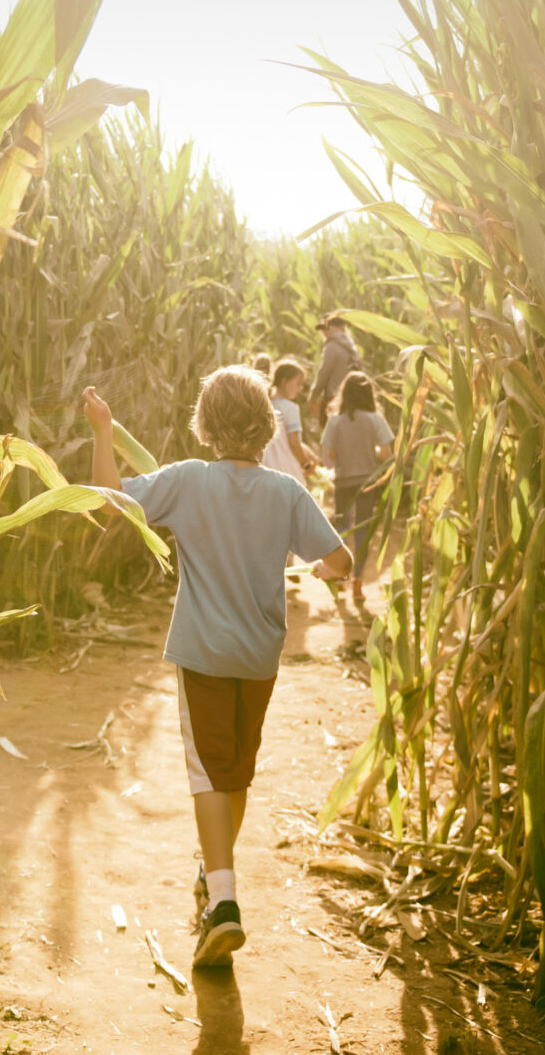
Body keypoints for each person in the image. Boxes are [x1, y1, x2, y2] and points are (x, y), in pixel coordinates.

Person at [82, 369, 350, 970]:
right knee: (235, 774)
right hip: (259, 656)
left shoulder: (188, 480)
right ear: (267, 426)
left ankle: (224, 904)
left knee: (208, 775)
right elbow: (341, 560)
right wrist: (314, 571)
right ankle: (212, 877)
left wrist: (103, 430)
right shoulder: (287, 492)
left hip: (204, 650)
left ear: (205, 424)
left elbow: (108, 501)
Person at [320, 371, 393, 610]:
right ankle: (358, 583)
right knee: (363, 531)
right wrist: (371, 454)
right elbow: (387, 454)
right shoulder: (375, 420)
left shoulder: (335, 422)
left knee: (342, 528)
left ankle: (339, 575)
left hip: (343, 482)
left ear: (345, 394)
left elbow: (329, 457)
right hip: (367, 482)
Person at [260, 357, 318, 482]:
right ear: (284, 381)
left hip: (266, 470)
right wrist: (306, 465)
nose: (301, 388)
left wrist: (307, 451)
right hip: (287, 470)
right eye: (298, 383)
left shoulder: (264, 405)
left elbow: (283, 440)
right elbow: (293, 442)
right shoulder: (291, 408)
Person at [306, 313, 363, 432]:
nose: (323, 332)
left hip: (334, 399)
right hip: (354, 400)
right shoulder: (352, 347)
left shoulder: (332, 346)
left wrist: (313, 398)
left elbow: (323, 374)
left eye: (325, 328)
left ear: (335, 327)